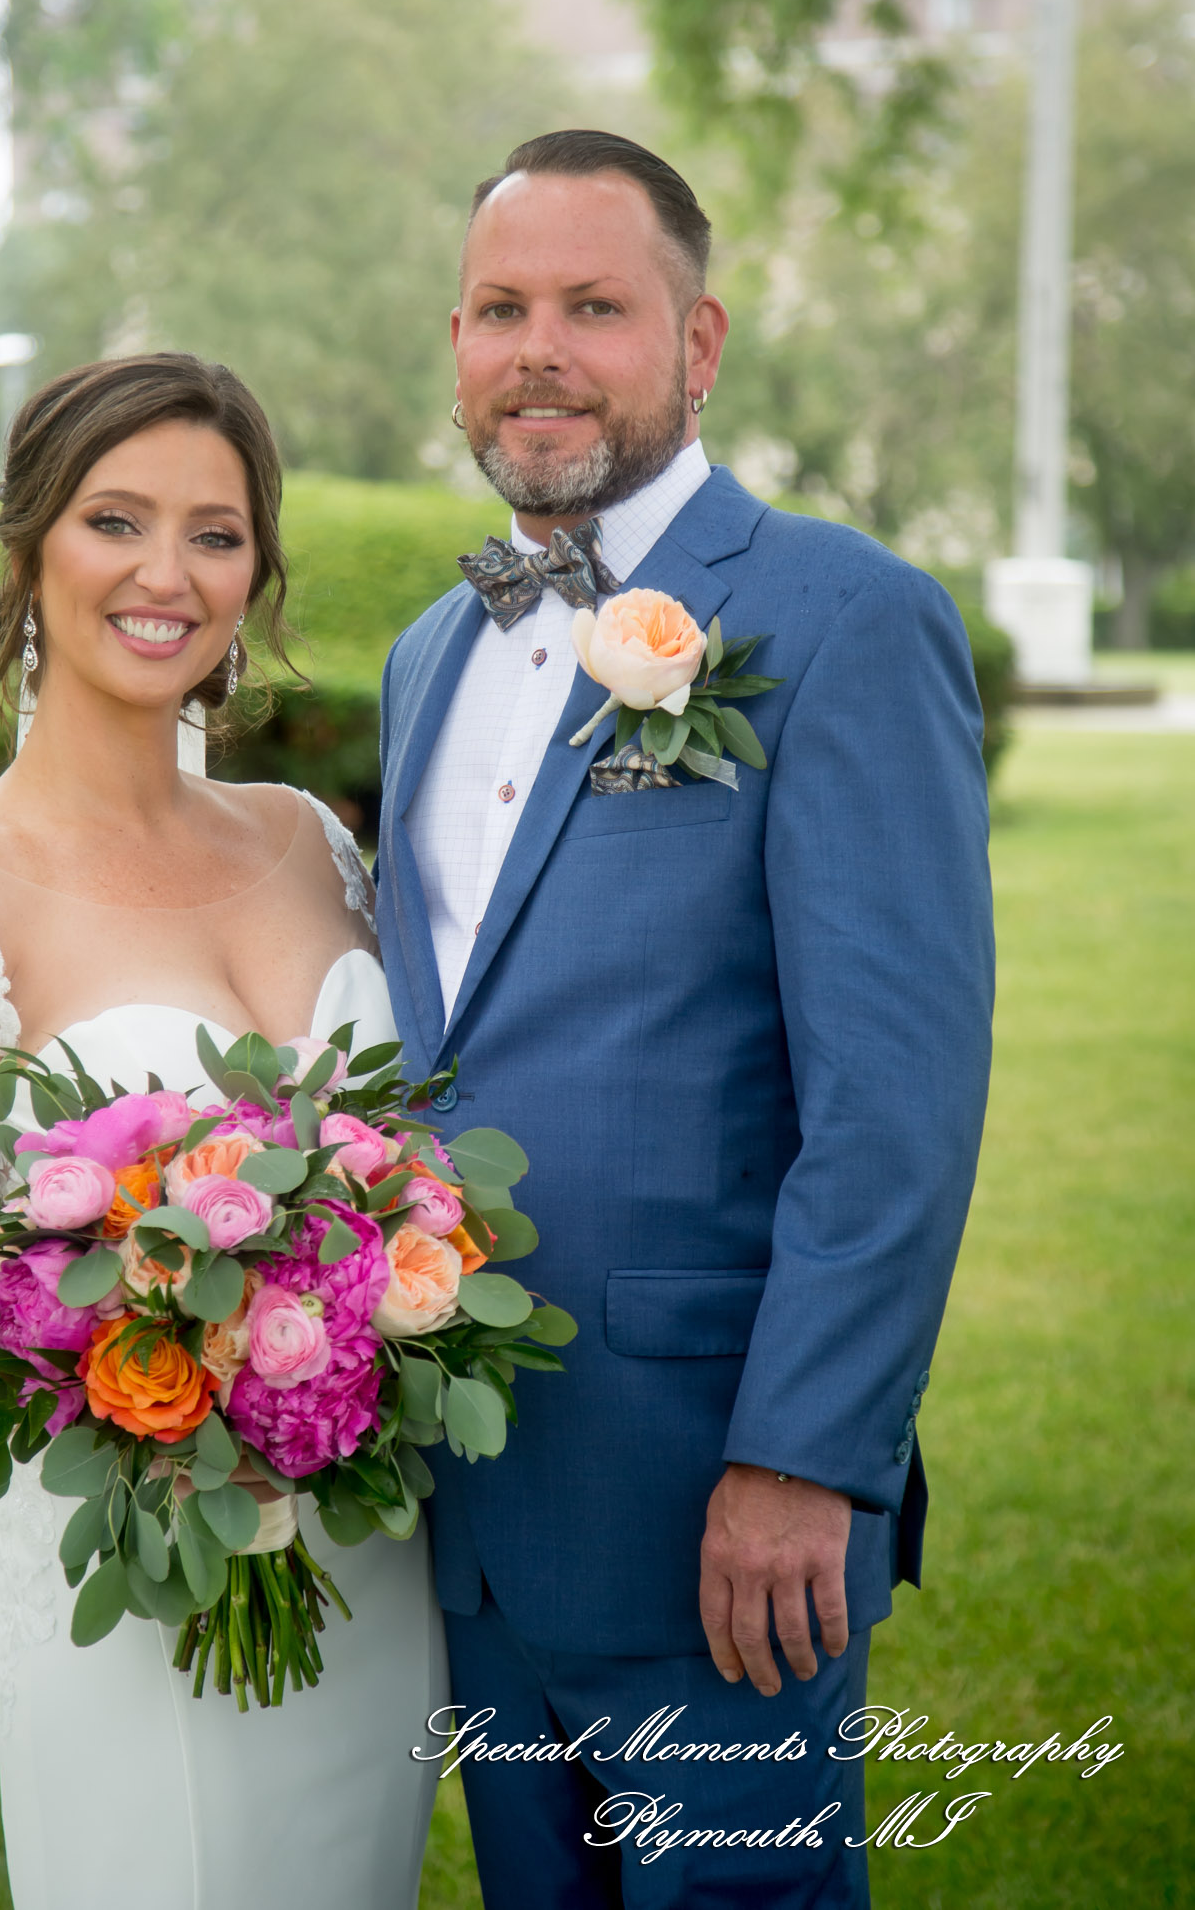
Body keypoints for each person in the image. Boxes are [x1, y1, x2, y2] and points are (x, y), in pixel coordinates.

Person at [375, 131, 995, 1908]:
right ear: (456, 340)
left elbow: (897, 1102)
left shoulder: (844, 618)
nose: (539, 351)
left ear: (698, 341)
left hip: (715, 1505)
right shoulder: (428, 655)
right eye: (501, 308)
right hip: (471, 1506)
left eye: (596, 307)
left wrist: (802, 1457)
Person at [0, 353, 446, 1910]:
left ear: (257, 572)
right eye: (116, 521)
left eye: (216, 535)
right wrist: (185, 1371)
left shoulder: (312, 844)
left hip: (376, 1556)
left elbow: (410, 1158)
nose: (168, 575)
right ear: (30, 544)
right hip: (146, 1574)